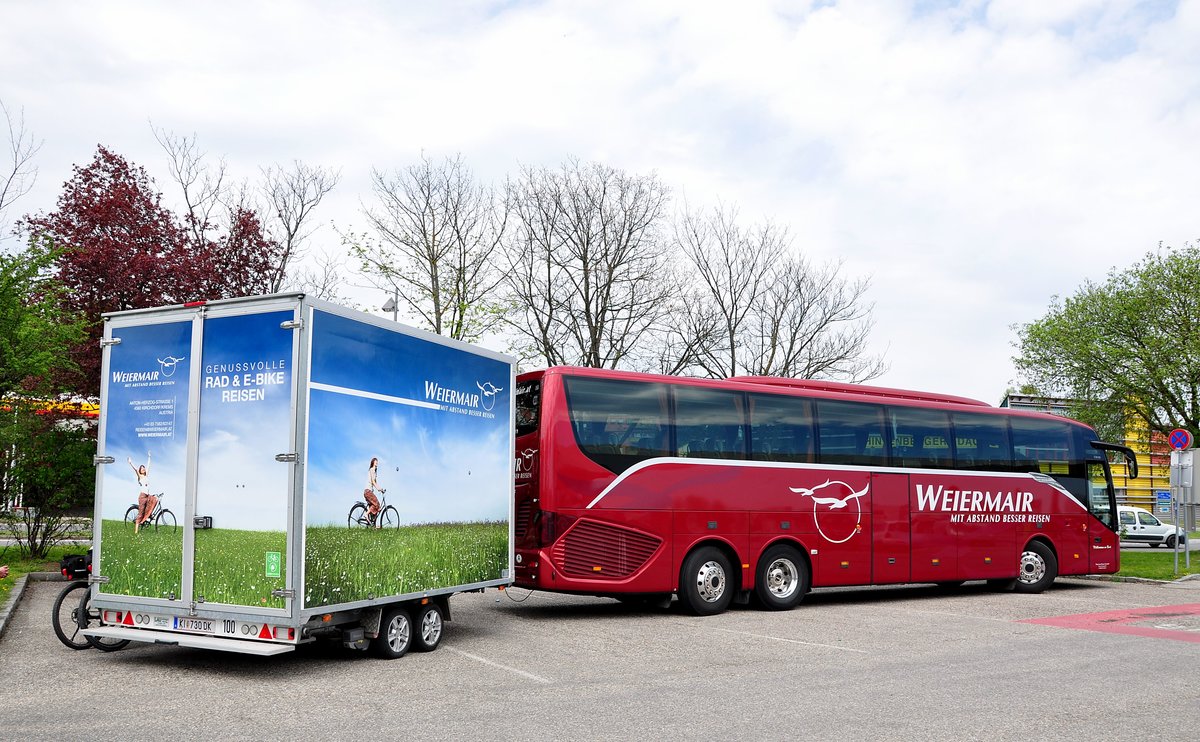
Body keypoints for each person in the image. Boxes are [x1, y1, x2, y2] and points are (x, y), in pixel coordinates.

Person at [129, 452, 155, 534]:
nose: (143, 469)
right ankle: (136, 531)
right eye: (142, 468)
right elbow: (135, 469)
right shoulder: (140, 476)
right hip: (142, 497)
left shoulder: (146, 476)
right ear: (140, 471)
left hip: (147, 496)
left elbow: (148, 466)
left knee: (155, 500)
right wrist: (130, 463)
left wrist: (149, 457)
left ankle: (147, 518)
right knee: (140, 514)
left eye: (144, 468)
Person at [364, 457, 384, 528]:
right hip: (368, 491)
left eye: (377, 462)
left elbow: (376, 483)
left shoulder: (374, 472)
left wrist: (380, 489)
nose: (377, 462)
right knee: (377, 504)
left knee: (374, 509)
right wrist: (379, 489)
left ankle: (373, 527)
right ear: (373, 462)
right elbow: (373, 482)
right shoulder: (372, 470)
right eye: (375, 461)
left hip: (368, 492)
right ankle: (366, 514)